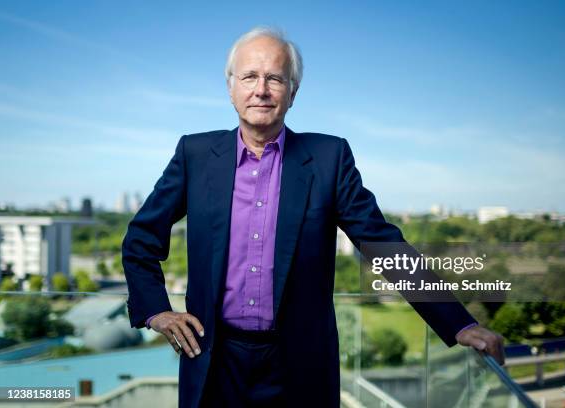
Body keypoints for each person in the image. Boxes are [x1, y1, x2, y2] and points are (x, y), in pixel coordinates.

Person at [122, 27, 504, 408]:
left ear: (293, 92)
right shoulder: (196, 154)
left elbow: (381, 242)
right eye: (250, 77)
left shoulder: (328, 158)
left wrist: (459, 323)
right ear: (231, 87)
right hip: (213, 359)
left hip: (297, 366)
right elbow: (141, 238)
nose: (261, 89)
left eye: (275, 78)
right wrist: (156, 309)